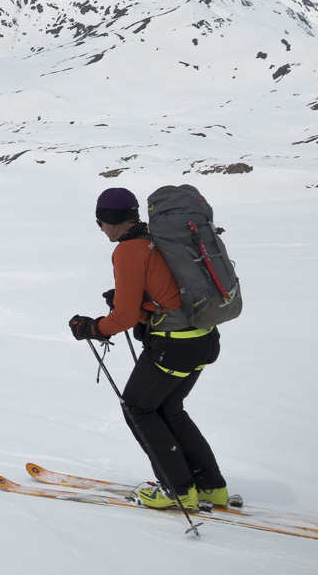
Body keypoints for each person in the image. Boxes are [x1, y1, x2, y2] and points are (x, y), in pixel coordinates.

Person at [68, 187, 229, 510]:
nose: (100, 229)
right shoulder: (160, 240)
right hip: (203, 339)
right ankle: (211, 488)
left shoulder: (129, 250)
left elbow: (124, 318)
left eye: (99, 222)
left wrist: (92, 328)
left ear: (110, 221)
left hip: (174, 346)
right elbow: (166, 296)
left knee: (138, 409)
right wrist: (140, 304)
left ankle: (178, 491)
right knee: (170, 409)